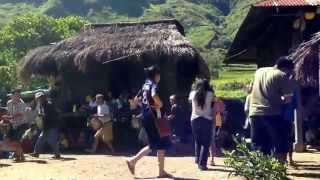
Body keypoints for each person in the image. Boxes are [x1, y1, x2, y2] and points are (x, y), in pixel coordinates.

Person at [126, 66, 172, 178]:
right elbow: (154, 95)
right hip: (155, 117)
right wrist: (160, 104)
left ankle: (161, 171)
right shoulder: (153, 85)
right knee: (155, 143)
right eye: (159, 75)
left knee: (161, 143)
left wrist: (144, 106)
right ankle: (133, 161)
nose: (159, 77)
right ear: (156, 75)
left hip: (147, 116)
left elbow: (135, 101)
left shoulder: (144, 85)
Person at [249, 56, 296, 163]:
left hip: (254, 113)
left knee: (259, 145)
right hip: (271, 114)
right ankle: (280, 171)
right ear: (286, 68)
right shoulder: (282, 75)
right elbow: (287, 99)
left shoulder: (259, 71)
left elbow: (251, 89)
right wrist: (291, 81)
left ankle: (260, 172)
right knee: (281, 144)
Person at [189, 79, 214, 170]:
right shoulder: (210, 94)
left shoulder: (192, 94)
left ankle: (197, 159)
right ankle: (202, 164)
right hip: (206, 119)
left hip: (194, 119)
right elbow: (213, 102)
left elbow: (189, 101)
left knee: (198, 141)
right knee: (206, 143)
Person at [30, 92, 61, 159]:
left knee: (52, 140)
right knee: (40, 139)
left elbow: (51, 115)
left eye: (41, 97)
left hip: (52, 125)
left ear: (44, 97)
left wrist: (41, 117)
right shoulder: (41, 105)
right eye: (38, 98)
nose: (40, 99)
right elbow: (41, 115)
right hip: (46, 126)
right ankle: (36, 153)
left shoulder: (49, 104)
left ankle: (57, 154)